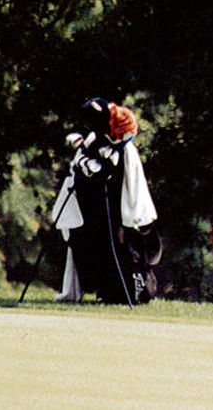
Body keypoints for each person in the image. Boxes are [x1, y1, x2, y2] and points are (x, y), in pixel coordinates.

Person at [52, 98, 161, 304]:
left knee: (124, 252)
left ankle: (128, 293)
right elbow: (86, 167)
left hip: (121, 215)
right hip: (99, 210)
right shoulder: (96, 139)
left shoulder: (125, 150)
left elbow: (130, 192)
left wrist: (126, 225)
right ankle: (107, 291)